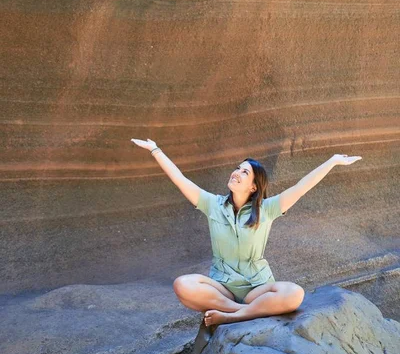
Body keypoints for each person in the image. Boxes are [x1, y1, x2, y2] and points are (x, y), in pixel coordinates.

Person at [131, 138, 362, 327]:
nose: (237, 173)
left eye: (245, 172)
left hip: (257, 288)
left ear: (253, 186)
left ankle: (234, 316)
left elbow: (300, 188)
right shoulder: (213, 204)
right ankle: (242, 312)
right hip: (223, 288)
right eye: (237, 168)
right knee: (182, 285)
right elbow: (180, 180)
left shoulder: (267, 209)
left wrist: (331, 161)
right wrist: (155, 150)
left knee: (294, 293)